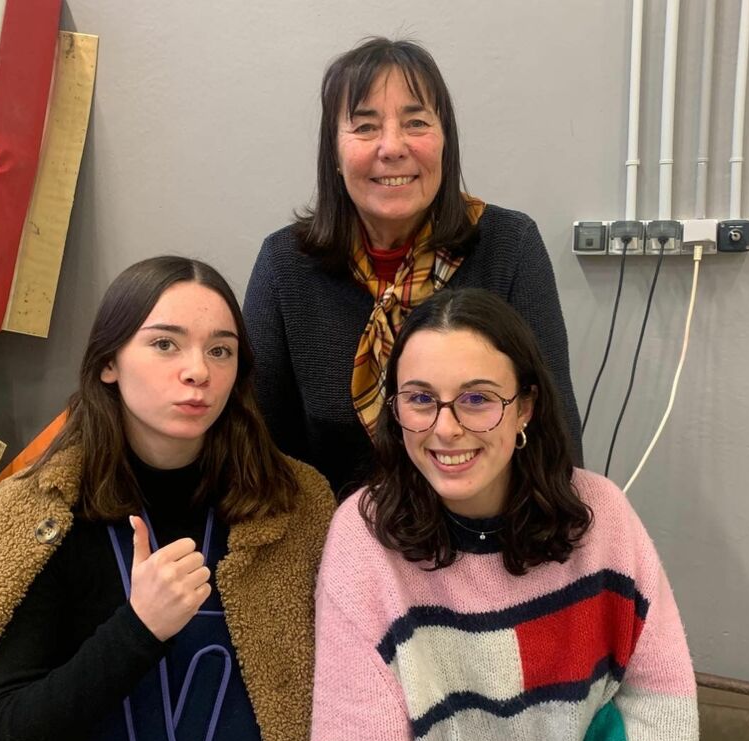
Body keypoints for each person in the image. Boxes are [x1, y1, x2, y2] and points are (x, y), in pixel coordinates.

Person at [0, 256, 335, 741]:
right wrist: (139, 627)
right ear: (108, 363)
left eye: (220, 350)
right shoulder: (36, 517)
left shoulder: (295, 504)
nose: (198, 371)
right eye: (165, 344)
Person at [310, 288, 698, 741]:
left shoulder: (604, 517)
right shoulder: (363, 539)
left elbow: (661, 705)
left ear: (525, 408)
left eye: (477, 398)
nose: (445, 428)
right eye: (420, 399)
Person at [244, 36, 583, 498]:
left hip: (491, 527)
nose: (392, 147)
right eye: (365, 127)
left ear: (445, 143)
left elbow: (554, 433)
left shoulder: (509, 246)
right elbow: (259, 451)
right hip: (331, 530)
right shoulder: (285, 264)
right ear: (335, 154)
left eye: (416, 122)